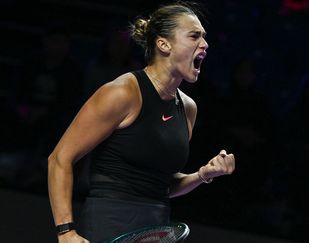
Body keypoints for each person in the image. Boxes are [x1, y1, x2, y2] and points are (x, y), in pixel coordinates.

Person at [47, 2, 235, 243]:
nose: (205, 44)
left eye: (204, 37)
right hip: (109, 224)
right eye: (194, 36)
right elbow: (59, 159)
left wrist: (202, 175)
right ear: (163, 44)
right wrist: (66, 232)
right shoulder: (123, 93)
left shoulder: (188, 108)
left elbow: (162, 185)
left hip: (155, 230)